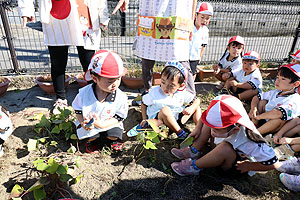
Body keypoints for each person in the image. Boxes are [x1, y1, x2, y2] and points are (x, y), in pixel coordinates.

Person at [18, 0, 129, 114]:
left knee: (89, 62)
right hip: (56, 14)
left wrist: (103, 14)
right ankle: (60, 98)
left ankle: (95, 96)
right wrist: (26, 9)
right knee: (58, 62)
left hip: (84, 12)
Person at [170, 95, 278, 176]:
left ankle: (194, 166)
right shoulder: (224, 119)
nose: (212, 132)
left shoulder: (249, 141)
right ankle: (194, 150)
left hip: (234, 165)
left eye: (216, 130)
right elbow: (207, 115)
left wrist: (249, 166)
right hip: (221, 145)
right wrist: (198, 128)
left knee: (225, 148)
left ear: (235, 129)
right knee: (210, 124)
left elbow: (272, 163)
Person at [135, 0, 198, 97]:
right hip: (152, 11)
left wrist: (191, 21)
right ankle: (148, 92)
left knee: (181, 58)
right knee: (147, 57)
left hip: (178, 10)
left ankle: (190, 97)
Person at [72, 50, 128, 152]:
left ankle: (112, 140)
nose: (115, 84)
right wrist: (83, 122)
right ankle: (93, 142)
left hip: (109, 123)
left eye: (118, 79)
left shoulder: (120, 97)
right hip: (91, 124)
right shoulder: (84, 94)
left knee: (114, 133)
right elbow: (78, 110)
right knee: (89, 134)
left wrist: (102, 125)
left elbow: (119, 117)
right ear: (94, 78)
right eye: (110, 81)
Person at [128, 62, 201, 139]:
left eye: (171, 85)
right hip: (159, 121)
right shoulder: (154, 93)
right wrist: (144, 119)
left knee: (196, 107)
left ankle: (198, 129)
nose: (166, 87)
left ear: (181, 85)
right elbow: (143, 103)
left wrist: (192, 108)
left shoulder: (181, 93)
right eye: (163, 82)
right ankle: (181, 134)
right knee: (165, 110)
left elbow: (197, 100)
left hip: (176, 118)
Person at [249, 64, 300, 136]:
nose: (277, 81)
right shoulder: (276, 92)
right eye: (277, 77)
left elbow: (278, 113)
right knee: (262, 102)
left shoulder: (295, 99)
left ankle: (255, 133)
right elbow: (257, 97)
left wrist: (259, 117)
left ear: (295, 84)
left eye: (283, 79)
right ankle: (254, 124)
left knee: (279, 119)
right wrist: (253, 109)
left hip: (278, 127)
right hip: (265, 119)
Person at [189, 2, 213, 80]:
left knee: (192, 73)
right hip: (184, 55)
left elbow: (203, 45)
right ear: (196, 15)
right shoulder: (189, 26)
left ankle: (190, 89)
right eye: (202, 17)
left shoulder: (205, 31)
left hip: (194, 57)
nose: (204, 20)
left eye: (207, 18)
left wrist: (200, 56)